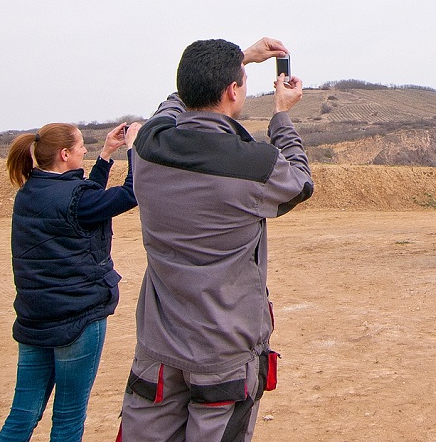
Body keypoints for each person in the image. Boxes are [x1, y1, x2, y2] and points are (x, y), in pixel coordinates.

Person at [120, 37, 312, 442]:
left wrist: (239, 60)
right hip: (223, 353)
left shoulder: (147, 148)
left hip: (157, 352)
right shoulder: (253, 164)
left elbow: (171, 107)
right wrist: (281, 115)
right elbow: (300, 181)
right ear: (233, 91)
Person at [0, 120, 139, 442]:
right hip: (78, 319)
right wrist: (134, 148)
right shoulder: (76, 199)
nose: (84, 150)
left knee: (22, 415)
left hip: (35, 320)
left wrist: (105, 154)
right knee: (68, 419)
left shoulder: (29, 192)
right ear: (64, 154)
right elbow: (131, 192)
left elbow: (84, 204)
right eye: (80, 147)